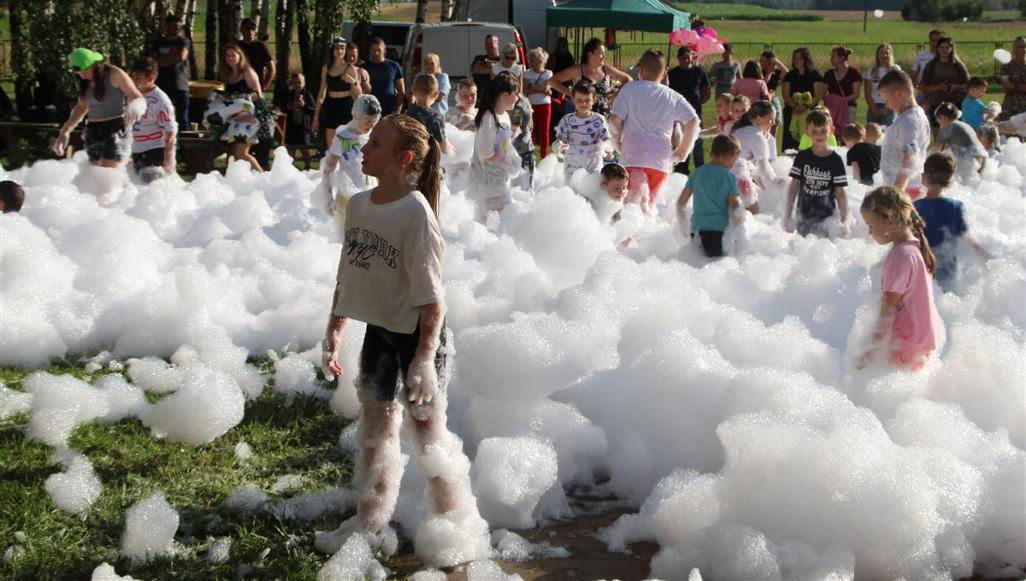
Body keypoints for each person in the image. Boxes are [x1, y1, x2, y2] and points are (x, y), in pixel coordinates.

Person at [316, 113, 490, 568]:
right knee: (375, 429)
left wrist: (424, 360)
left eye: (375, 144)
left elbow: (433, 301)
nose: (364, 149)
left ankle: (454, 534)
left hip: (418, 336)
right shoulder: (359, 205)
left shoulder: (416, 214)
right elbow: (348, 273)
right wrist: (334, 330)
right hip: (380, 329)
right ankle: (369, 522)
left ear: (403, 158)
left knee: (428, 434)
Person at [858, 186, 942, 372]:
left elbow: (888, 309)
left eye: (870, 225)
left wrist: (870, 351)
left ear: (889, 221)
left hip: (906, 342)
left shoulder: (900, 255)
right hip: (922, 336)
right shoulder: (914, 247)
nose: (869, 232)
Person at [609, 49, 699, 212]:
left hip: (632, 158)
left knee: (631, 209)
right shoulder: (672, 96)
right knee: (651, 209)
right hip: (660, 161)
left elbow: (614, 121)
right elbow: (693, 121)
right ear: (665, 73)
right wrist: (682, 151)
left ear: (641, 70)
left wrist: (617, 143)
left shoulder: (629, 89)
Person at [53, 48, 146, 203]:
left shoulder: (114, 73)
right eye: (78, 72)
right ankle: (100, 210)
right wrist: (65, 131)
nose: (81, 74)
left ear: (94, 65)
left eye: (84, 70)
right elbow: (82, 107)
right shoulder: (83, 81)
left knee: (107, 182)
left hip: (115, 128)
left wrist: (135, 108)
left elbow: (136, 96)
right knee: (96, 180)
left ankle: (120, 205)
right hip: (93, 130)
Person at [914, 152, 986, 290]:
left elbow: (906, 239)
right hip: (948, 273)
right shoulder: (956, 207)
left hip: (922, 271)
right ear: (950, 180)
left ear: (924, 178)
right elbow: (968, 238)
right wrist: (985, 256)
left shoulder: (916, 207)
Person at [785, 110, 849, 238]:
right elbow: (794, 186)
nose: (819, 135)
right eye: (814, 131)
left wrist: (844, 220)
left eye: (823, 131)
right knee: (803, 247)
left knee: (824, 247)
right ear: (807, 132)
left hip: (827, 218)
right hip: (803, 216)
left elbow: (840, 192)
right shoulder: (802, 157)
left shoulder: (835, 160)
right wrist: (787, 215)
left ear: (832, 131)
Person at [676, 134, 743, 258]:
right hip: (720, 231)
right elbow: (734, 205)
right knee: (718, 266)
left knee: (698, 264)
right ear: (730, 157)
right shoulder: (729, 177)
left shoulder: (697, 173)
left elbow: (681, 203)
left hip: (697, 230)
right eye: (735, 160)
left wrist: (684, 226)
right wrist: (738, 228)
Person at [470, 72, 521, 217]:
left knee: (501, 220)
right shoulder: (488, 119)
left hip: (500, 179)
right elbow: (485, 153)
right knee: (494, 221)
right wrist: (507, 163)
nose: (518, 98)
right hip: (487, 182)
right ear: (504, 95)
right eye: (516, 94)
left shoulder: (504, 115)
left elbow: (504, 145)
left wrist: (512, 159)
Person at [321, 94, 382, 215]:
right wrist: (328, 197)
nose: (371, 125)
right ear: (356, 116)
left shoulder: (373, 135)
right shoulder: (343, 136)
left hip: (369, 193)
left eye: (374, 121)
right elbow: (329, 168)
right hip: (347, 195)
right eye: (368, 121)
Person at [549, 38, 632, 117]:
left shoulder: (606, 69)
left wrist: (613, 97)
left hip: (604, 120)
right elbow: (552, 81)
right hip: (583, 120)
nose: (604, 56)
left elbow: (628, 79)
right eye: (601, 54)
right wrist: (571, 94)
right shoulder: (578, 70)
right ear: (590, 54)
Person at [877, 70, 930, 192]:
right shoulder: (912, 115)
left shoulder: (909, 120)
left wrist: (896, 191)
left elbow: (910, 158)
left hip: (906, 189)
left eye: (887, 100)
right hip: (906, 186)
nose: (887, 105)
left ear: (899, 94)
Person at [216, 44, 265, 171]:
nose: (230, 58)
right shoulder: (228, 75)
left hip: (250, 119)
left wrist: (241, 97)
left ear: (240, 56)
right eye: (227, 56)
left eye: (233, 55)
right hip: (234, 119)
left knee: (240, 153)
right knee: (233, 154)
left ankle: (263, 176)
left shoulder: (247, 72)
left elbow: (258, 95)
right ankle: (239, 178)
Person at [128, 57, 178, 182]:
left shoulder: (160, 100)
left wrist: (168, 158)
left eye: (138, 78)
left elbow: (170, 131)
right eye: (132, 77)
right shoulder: (131, 94)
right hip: (136, 149)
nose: (133, 81)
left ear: (151, 78)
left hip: (154, 150)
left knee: (149, 186)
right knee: (134, 186)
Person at [313, 38, 364, 149]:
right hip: (331, 107)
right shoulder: (326, 68)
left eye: (342, 48)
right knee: (331, 147)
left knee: (346, 148)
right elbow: (321, 94)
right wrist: (315, 117)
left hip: (346, 107)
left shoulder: (350, 68)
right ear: (332, 50)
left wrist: (353, 81)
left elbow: (359, 94)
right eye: (337, 48)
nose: (340, 51)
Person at [667, 46, 710, 174]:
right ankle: (681, 169)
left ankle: (700, 170)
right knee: (680, 141)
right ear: (678, 59)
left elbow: (705, 89)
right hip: (678, 114)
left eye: (687, 57)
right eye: (682, 58)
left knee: (697, 141)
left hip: (695, 112)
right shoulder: (673, 74)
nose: (685, 60)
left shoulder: (699, 72)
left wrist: (700, 100)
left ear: (692, 57)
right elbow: (668, 91)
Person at [730, 100, 778, 214]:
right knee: (753, 215)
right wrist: (779, 184)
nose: (773, 122)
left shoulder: (739, 130)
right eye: (771, 119)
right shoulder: (756, 136)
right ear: (758, 118)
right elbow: (765, 169)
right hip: (739, 180)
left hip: (724, 178)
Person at [556, 82, 609, 181]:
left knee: (592, 186)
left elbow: (606, 138)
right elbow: (562, 138)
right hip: (572, 162)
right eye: (579, 100)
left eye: (587, 100)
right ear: (573, 99)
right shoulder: (566, 120)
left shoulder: (599, 119)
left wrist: (606, 150)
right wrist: (560, 144)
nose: (583, 104)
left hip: (593, 162)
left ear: (594, 100)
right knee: (572, 187)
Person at [150, 14, 191, 129]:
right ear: (167, 26)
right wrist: (172, 59)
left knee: (182, 116)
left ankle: (183, 137)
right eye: (174, 26)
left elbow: (181, 57)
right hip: (162, 82)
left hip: (180, 83)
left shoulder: (183, 41)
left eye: (179, 27)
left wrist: (163, 60)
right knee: (162, 113)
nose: (177, 29)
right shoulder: (158, 42)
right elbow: (153, 59)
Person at [919, 37, 969, 127]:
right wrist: (939, 87)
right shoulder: (931, 66)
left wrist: (955, 87)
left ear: (952, 49)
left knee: (955, 130)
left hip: (955, 103)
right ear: (937, 49)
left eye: (947, 47)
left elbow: (968, 85)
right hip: (936, 103)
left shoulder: (958, 66)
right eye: (941, 47)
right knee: (938, 131)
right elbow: (923, 87)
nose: (944, 50)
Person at [932, 102, 987, 182]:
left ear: (943, 117)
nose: (939, 125)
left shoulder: (946, 128)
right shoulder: (966, 125)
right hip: (982, 157)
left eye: (938, 121)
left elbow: (936, 152)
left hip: (970, 161)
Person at [781, 48, 823, 151]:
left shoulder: (815, 75)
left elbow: (817, 95)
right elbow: (786, 95)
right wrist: (795, 106)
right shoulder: (789, 75)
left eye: (800, 58)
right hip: (792, 111)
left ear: (806, 60)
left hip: (810, 112)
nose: (797, 61)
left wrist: (806, 106)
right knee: (791, 144)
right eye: (795, 58)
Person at [406, 74, 451, 154]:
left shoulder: (407, 115)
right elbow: (443, 146)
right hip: (429, 156)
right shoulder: (437, 116)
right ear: (436, 94)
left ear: (413, 91)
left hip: (412, 156)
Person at [822, 46, 862, 133]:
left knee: (848, 133)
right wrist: (832, 101)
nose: (831, 59)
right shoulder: (829, 74)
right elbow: (823, 93)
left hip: (849, 108)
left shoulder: (854, 73)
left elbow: (856, 94)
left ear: (842, 58)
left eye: (833, 56)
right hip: (832, 109)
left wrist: (841, 101)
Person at [524, 47, 553, 158]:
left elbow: (546, 88)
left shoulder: (548, 73)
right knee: (530, 131)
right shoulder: (526, 73)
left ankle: (544, 156)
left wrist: (530, 86)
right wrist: (541, 89)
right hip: (530, 105)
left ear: (541, 60)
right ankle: (530, 155)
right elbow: (525, 90)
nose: (532, 62)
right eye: (531, 59)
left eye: (535, 59)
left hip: (545, 105)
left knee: (544, 131)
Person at [364, 37, 405, 115]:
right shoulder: (364, 67)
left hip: (390, 110)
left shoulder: (394, 66)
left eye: (378, 50)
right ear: (369, 51)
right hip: (369, 110)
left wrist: (398, 110)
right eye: (373, 50)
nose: (376, 53)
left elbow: (401, 90)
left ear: (384, 50)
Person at [864, 44, 901, 126]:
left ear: (890, 55)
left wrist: (887, 107)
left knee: (887, 132)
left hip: (890, 107)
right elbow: (867, 93)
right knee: (871, 133)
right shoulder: (871, 70)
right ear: (877, 54)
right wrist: (874, 109)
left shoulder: (895, 69)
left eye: (887, 53)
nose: (884, 55)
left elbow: (898, 90)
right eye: (881, 52)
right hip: (873, 106)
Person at [238, 18, 275, 91]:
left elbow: (272, 68)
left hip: (255, 87)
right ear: (241, 30)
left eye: (253, 29)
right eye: (247, 29)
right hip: (238, 87)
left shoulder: (260, 46)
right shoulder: (237, 46)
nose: (250, 31)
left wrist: (263, 86)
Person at [281, 72, 315, 146]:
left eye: (299, 82)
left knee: (304, 148)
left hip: (303, 128)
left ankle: (306, 154)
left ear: (304, 83)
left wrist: (304, 105)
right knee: (291, 148)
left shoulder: (307, 95)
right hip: (291, 127)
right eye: (294, 83)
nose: (297, 85)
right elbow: (283, 109)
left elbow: (313, 110)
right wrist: (290, 107)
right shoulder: (289, 95)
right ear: (291, 84)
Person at [759, 50, 788, 131]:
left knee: (775, 123)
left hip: (774, 99)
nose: (761, 63)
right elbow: (763, 83)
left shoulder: (776, 72)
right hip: (762, 99)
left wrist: (777, 62)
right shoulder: (759, 71)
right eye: (761, 60)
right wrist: (769, 72)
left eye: (764, 61)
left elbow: (787, 74)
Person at [999, 36, 1026, 120]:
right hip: (1010, 107)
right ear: (1015, 49)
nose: (1024, 49)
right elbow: (1006, 87)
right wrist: (1021, 87)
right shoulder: (1006, 67)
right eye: (1021, 47)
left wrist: (1014, 86)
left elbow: (1009, 85)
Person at [912, 29, 945, 94]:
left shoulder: (946, 57)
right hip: (923, 93)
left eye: (937, 41)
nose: (935, 43)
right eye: (933, 40)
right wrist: (922, 88)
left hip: (942, 93)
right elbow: (913, 77)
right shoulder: (921, 56)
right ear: (929, 41)